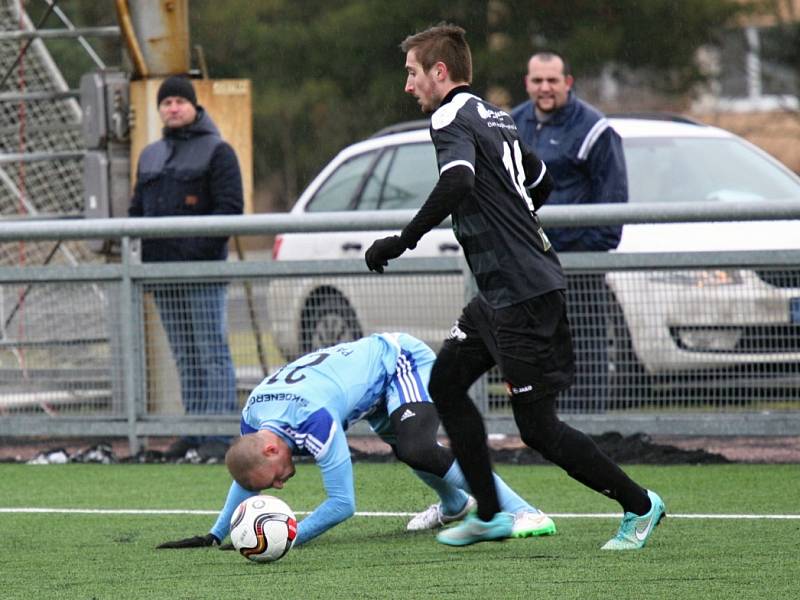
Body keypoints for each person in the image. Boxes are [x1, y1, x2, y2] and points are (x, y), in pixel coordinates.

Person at [365, 24, 664, 549]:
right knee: (447, 383)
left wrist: (402, 240)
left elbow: (457, 180)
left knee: (537, 428)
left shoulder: (448, 116)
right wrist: (514, 227)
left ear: (439, 73)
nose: (408, 85)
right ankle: (492, 514)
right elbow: (539, 179)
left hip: (524, 295)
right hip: (502, 294)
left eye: (412, 73)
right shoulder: (494, 113)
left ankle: (640, 506)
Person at [156, 332, 556, 549]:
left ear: (273, 449)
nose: (280, 486)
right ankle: (454, 507)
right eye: (273, 486)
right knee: (409, 448)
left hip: (400, 362)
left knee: (417, 446)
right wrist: (215, 534)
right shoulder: (252, 421)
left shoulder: (311, 421)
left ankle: (525, 511)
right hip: (367, 392)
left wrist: (291, 536)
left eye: (274, 478)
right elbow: (246, 473)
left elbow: (344, 504)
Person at [129, 75, 244, 459]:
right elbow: (135, 213)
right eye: (166, 102)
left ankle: (219, 433)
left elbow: (229, 211)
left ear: (194, 105)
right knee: (184, 354)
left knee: (211, 350)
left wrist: (193, 252)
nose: (173, 107)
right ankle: (195, 431)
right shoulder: (149, 155)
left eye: (179, 100)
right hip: (163, 277)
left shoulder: (218, 152)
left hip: (204, 273)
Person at [511, 51, 629, 412]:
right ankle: (541, 433)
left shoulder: (595, 129)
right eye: (537, 81)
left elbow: (611, 215)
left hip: (576, 271)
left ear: (568, 82)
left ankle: (589, 429)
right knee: (529, 349)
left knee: (583, 351)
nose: (545, 88)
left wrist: (566, 248)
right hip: (527, 269)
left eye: (552, 80)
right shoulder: (511, 123)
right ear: (527, 83)